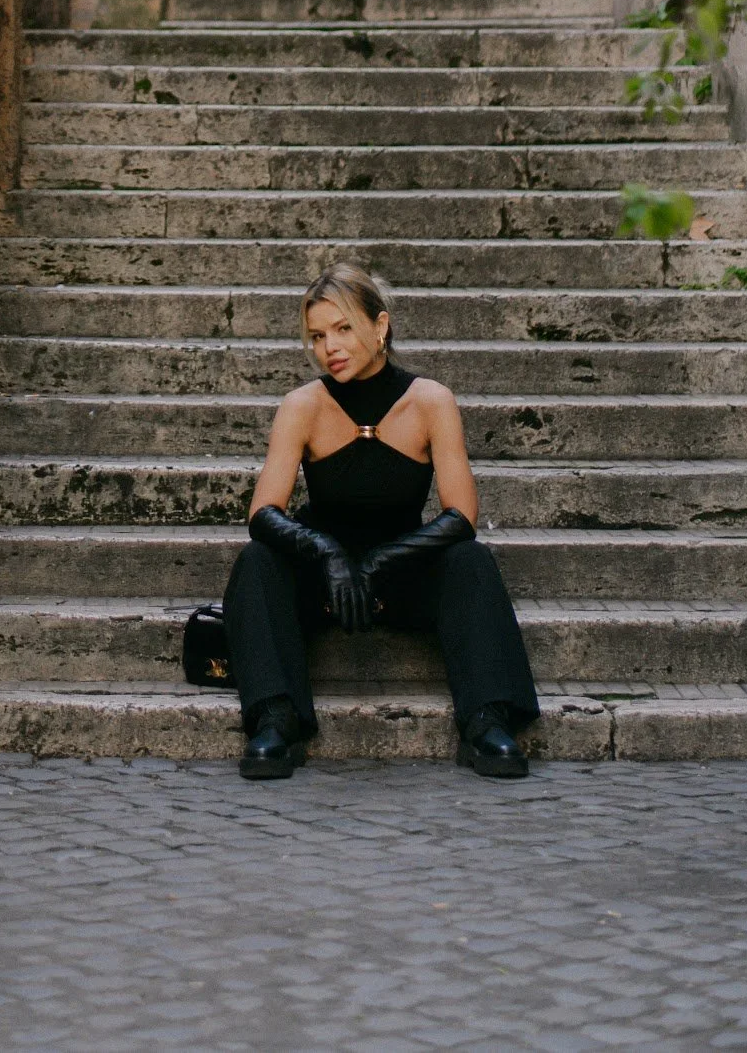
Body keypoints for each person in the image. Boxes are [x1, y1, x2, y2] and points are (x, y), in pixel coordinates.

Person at [222, 262, 539, 781]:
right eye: (318, 336)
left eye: (344, 329)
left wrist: (377, 563)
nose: (331, 348)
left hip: (401, 573)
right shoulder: (301, 405)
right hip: (324, 580)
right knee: (257, 562)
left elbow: (462, 516)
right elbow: (263, 513)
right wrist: (328, 555)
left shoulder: (430, 401)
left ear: (380, 325)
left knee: (470, 561)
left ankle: (487, 719)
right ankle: (276, 719)